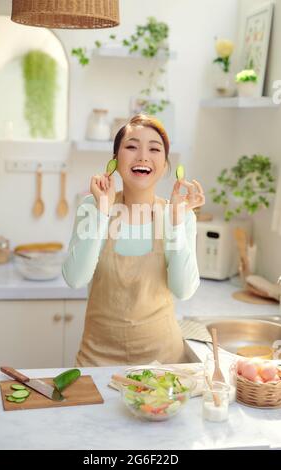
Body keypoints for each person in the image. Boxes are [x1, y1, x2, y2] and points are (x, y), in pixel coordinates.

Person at [62, 114, 205, 366]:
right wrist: (103, 211)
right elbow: (75, 278)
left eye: (154, 148)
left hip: (163, 365)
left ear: (164, 165)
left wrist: (177, 221)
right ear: (114, 161)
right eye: (131, 146)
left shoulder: (179, 214)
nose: (142, 156)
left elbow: (183, 290)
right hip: (97, 362)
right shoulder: (92, 207)